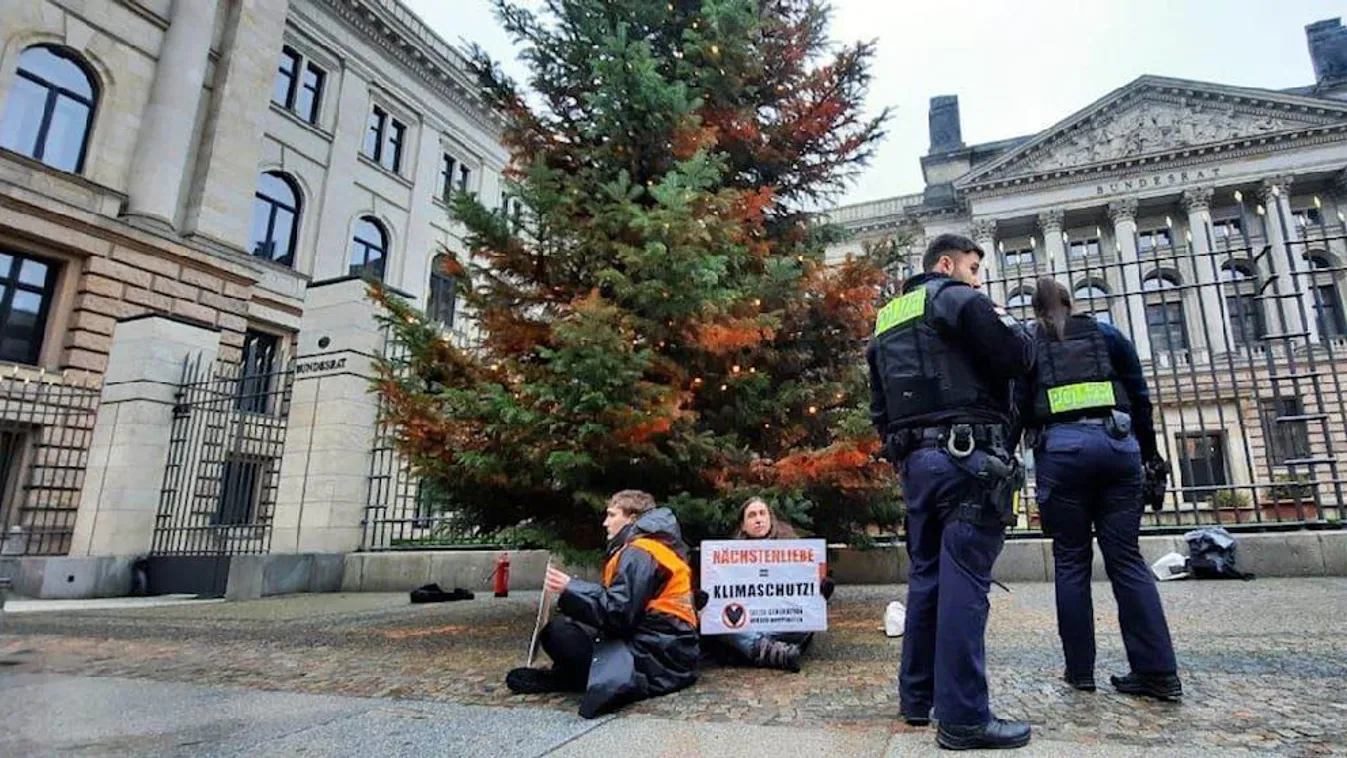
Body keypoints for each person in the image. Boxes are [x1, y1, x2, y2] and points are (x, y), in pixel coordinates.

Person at [867, 233, 1035, 750]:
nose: (978, 277)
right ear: (947, 263)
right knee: (964, 583)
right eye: (974, 266)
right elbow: (1019, 355)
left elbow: (878, 403)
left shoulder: (887, 320)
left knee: (926, 580)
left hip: (916, 462)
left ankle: (917, 698)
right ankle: (963, 718)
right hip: (968, 458)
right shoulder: (959, 299)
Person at [1014, 277, 1181, 701]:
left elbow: (1016, 406)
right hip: (1117, 447)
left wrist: (1009, 452)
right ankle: (1158, 673)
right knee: (1127, 560)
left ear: (1036, 311)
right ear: (1072, 304)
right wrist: (1149, 451)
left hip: (1062, 453)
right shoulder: (1107, 334)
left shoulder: (1032, 344)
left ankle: (1081, 672)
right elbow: (1139, 396)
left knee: (1071, 562)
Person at [505, 490, 699, 718]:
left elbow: (619, 615)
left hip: (657, 655)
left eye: (611, 515)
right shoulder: (656, 547)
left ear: (632, 519)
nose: (605, 523)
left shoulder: (639, 551)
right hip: (669, 650)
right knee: (569, 627)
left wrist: (572, 588)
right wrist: (576, 592)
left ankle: (574, 678)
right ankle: (575, 676)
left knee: (559, 632)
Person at [701, 497, 834, 672]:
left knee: (804, 624)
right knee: (721, 622)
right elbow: (718, 600)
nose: (758, 519)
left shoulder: (795, 549)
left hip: (784, 624)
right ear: (743, 524)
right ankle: (773, 651)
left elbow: (808, 599)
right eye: (752, 515)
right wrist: (703, 599)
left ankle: (755, 648)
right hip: (747, 624)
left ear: (771, 519)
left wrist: (822, 591)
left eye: (762, 514)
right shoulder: (725, 560)